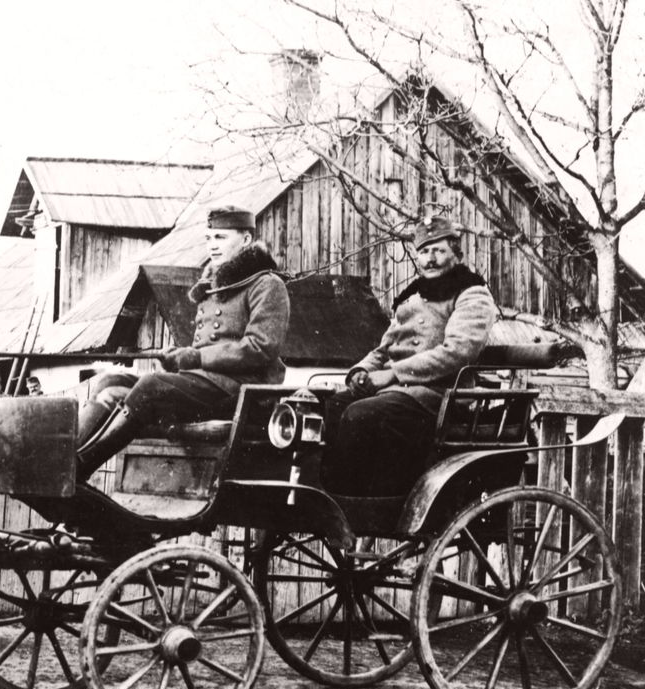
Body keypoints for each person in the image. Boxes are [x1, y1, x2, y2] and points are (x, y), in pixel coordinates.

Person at [76, 206, 290, 477]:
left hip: (240, 390)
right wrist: (180, 357)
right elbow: (201, 349)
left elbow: (260, 348)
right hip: (207, 383)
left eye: (220, 238)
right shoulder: (214, 285)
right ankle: (67, 458)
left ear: (246, 240)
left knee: (151, 386)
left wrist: (195, 358)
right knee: (111, 382)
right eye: (209, 238)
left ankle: (81, 467)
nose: (212, 246)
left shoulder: (266, 285)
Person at [320, 215, 497, 496]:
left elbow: (457, 352)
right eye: (424, 251)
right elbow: (384, 348)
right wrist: (360, 371)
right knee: (335, 405)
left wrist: (392, 374)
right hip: (399, 393)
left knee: (360, 414)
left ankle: (354, 503)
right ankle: (332, 494)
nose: (431, 259)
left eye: (439, 250)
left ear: (456, 252)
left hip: (438, 397)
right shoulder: (411, 298)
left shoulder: (472, 294)